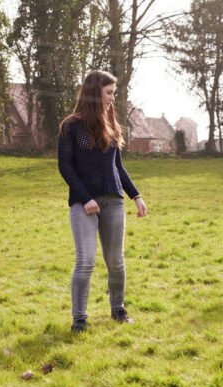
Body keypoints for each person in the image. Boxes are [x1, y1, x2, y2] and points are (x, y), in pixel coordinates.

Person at [58, 70, 148, 332]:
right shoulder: (70, 126)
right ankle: (79, 320)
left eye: (113, 92)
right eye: (109, 92)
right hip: (83, 203)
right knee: (85, 261)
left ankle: (118, 310)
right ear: (94, 92)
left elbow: (117, 167)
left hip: (113, 200)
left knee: (116, 261)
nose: (112, 97)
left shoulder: (111, 124)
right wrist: (85, 198)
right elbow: (65, 166)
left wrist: (136, 195)